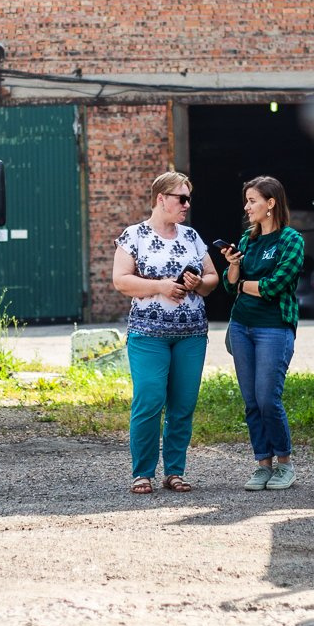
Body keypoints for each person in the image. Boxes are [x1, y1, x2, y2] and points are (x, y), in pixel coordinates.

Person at [110, 171, 219, 495]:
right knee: (150, 399)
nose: (186, 204)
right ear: (161, 199)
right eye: (181, 198)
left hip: (191, 335)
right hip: (148, 334)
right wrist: (160, 286)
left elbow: (213, 277)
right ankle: (142, 472)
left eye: (188, 198)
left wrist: (199, 284)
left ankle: (174, 471)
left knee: (183, 404)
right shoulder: (135, 236)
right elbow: (120, 280)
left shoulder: (191, 237)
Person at [219, 175, 305, 491]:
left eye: (252, 200)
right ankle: (262, 464)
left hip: (274, 328)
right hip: (241, 326)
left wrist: (244, 285)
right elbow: (230, 286)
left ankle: (284, 464)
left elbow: (274, 287)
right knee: (251, 400)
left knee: (268, 398)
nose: (247, 206)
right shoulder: (246, 241)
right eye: (247, 200)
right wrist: (233, 265)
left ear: (270, 204)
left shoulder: (291, 240)